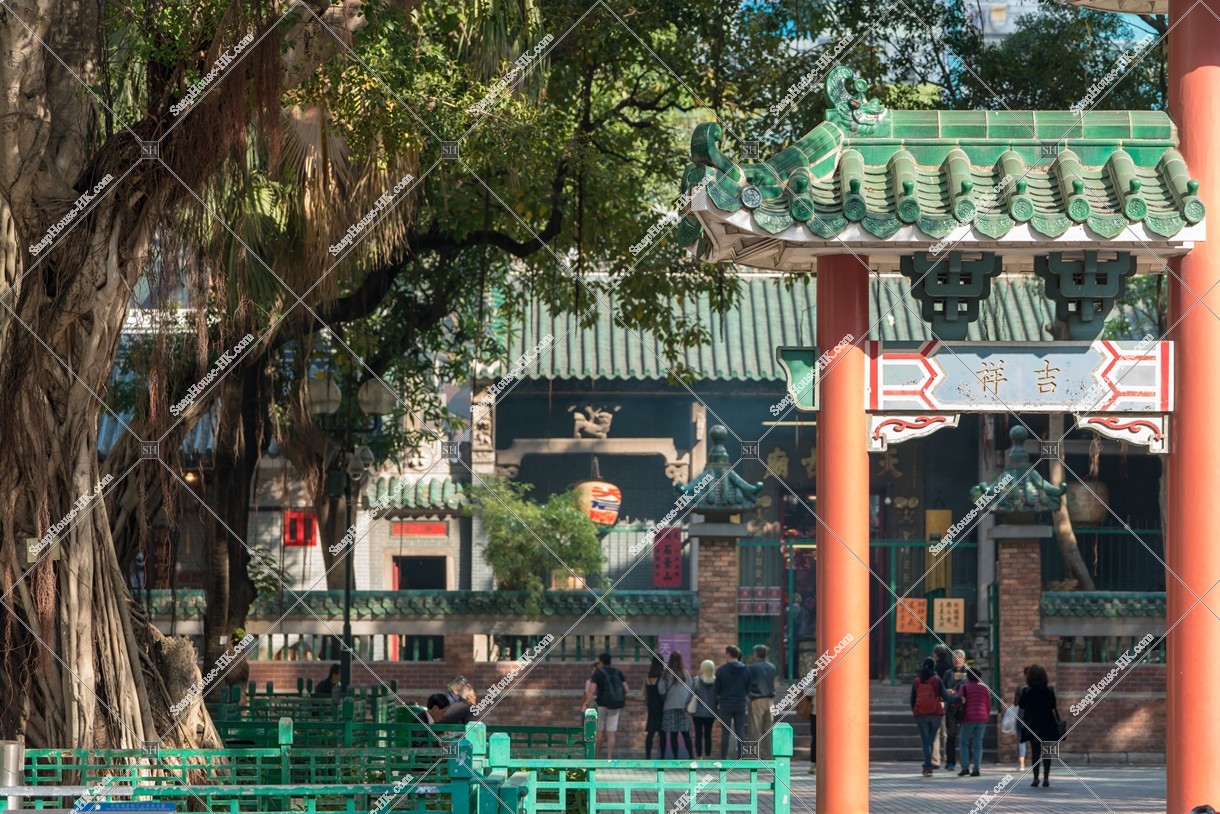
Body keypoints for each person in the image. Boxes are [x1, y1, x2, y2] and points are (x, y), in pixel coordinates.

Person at [1019, 663, 1061, 788]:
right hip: (1047, 723)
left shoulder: (1026, 691)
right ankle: (1046, 778)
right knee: (1047, 752)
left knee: (1035, 752)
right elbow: (1053, 705)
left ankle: (1036, 778)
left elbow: (1021, 706)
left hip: (1032, 723)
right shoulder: (1049, 690)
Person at [582, 653, 628, 759]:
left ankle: (598, 757)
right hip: (615, 706)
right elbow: (626, 689)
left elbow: (592, 690)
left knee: (599, 732)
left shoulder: (598, 673)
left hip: (601, 705)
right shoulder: (618, 672)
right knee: (611, 733)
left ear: (601, 662)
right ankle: (609, 758)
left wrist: (586, 703)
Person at [715, 645, 751, 759]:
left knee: (726, 732)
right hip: (740, 703)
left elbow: (717, 689)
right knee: (740, 730)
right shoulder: (746, 669)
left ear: (729, 654)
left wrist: (718, 701)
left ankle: (724, 757)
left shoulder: (721, 670)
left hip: (726, 703)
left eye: (725, 653)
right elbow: (748, 687)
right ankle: (741, 757)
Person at [911, 657, 945, 777]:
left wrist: (915, 712)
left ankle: (927, 767)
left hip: (921, 714)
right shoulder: (936, 679)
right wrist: (958, 699)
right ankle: (928, 764)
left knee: (925, 742)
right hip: (936, 714)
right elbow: (945, 696)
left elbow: (912, 699)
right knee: (930, 740)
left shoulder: (917, 680)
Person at [954, 668, 991, 777]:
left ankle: (965, 767)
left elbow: (957, 701)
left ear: (968, 676)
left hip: (968, 718)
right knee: (978, 744)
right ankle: (976, 769)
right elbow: (988, 705)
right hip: (981, 718)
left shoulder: (964, 687)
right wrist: (986, 716)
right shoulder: (985, 688)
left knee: (964, 742)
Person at [659, 651, 694, 759]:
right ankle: (691, 757)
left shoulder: (666, 673)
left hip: (670, 706)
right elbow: (691, 688)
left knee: (673, 734)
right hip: (683, 707)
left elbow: (661, 690)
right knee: (685, 734)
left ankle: (675, 758)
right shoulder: (685, 673)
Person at [746, 644, 778, 759]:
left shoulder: (752, 668)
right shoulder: (772, 667)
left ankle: (755, 755)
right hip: (770, 700)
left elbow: (747, 682)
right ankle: (768, 754)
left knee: (755, 729)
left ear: (756, 654)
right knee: (768, 729)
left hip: (756, 699)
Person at [941, 650, 968, 771]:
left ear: (964, 659)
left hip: (964, 708)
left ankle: (965, 762)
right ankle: (950, 762)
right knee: (951, 736)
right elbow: (942, 689)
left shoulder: (969, 672)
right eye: (954, 658)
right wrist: (947, 691)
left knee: (965, 737)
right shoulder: (948, 673)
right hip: (951, 708)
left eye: (959, 657)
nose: (957, 660)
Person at [689, 659, 718, 758]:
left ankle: (698, 756)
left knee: (698, 734)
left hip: (697, 712)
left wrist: (686, 706)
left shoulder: (696, 680)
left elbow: (691, 694)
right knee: (708, 734)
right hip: (711, 712)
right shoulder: (716, 681)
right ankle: (707, 756)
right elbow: (717, 697)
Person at [931, 644, 952, 768]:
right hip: (947, 701)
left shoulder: (934, 669)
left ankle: (935, 760)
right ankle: (948, 757)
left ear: (935, 654)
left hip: (936, 701)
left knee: (936, 732)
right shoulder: (950, 669)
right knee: (946, 732)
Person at [643, 656, 668, 759]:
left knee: (651, 731)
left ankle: (648, 756)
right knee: (662, 732)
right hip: (661, 705)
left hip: (651, 705)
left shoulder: (648, 677)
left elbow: (644, 693)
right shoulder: (662, 677)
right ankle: (662, 756)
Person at [1013, 666, 1031, 770]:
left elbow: (1016, 703)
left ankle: (1022, 764)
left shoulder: (1020, 688)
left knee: (1021, 739)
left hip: (1022, 716)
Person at [796, 681, 816, 774]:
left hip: (831, 713)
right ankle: (814, 764)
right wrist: (820, 690)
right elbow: (806, 690)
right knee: (816, 739)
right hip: (815, 712)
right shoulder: (814, 675)